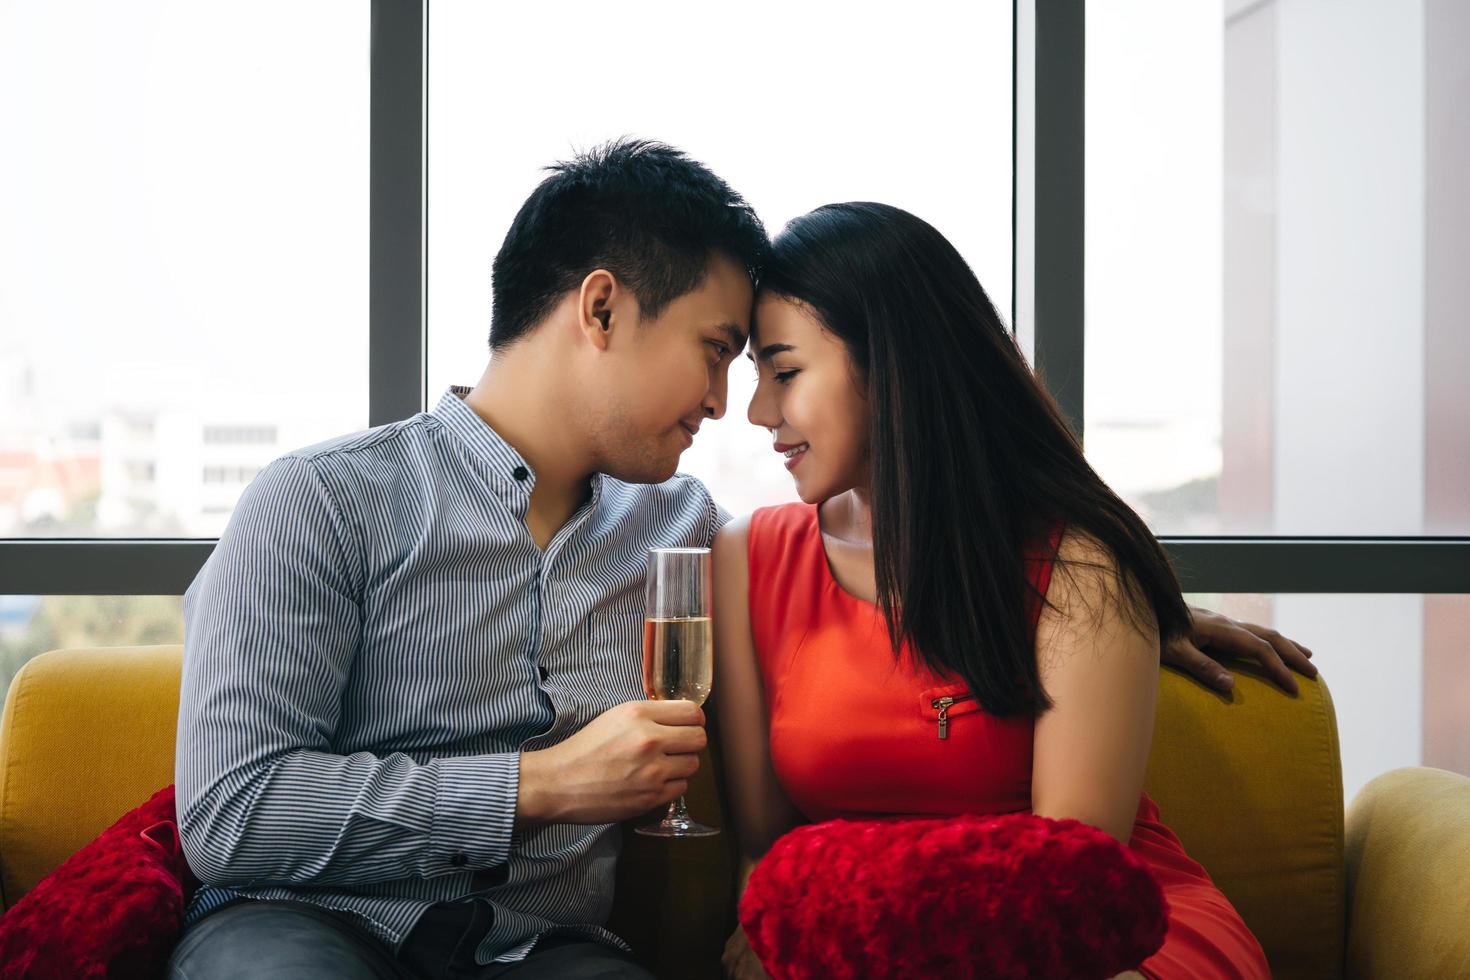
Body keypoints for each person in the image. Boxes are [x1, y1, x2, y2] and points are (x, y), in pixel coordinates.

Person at [169, 142, 1311, 979]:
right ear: (602, 309)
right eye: (718, 354)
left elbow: (955, 577)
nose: (732, 406)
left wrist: (1139, 613)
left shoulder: (677, 530)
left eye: (764, 366)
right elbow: (226, 810)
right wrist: (546, 784)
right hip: (309, 924)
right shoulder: (322, 504)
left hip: (548, 948)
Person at [715, 202, 1300, 980]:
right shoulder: (746, 558)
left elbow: (1065, 890)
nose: (757, 411)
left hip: (1102, 943)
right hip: (869, 947)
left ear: (895, 365)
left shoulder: (1077, 568)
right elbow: (767, 851)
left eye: (784, 371)